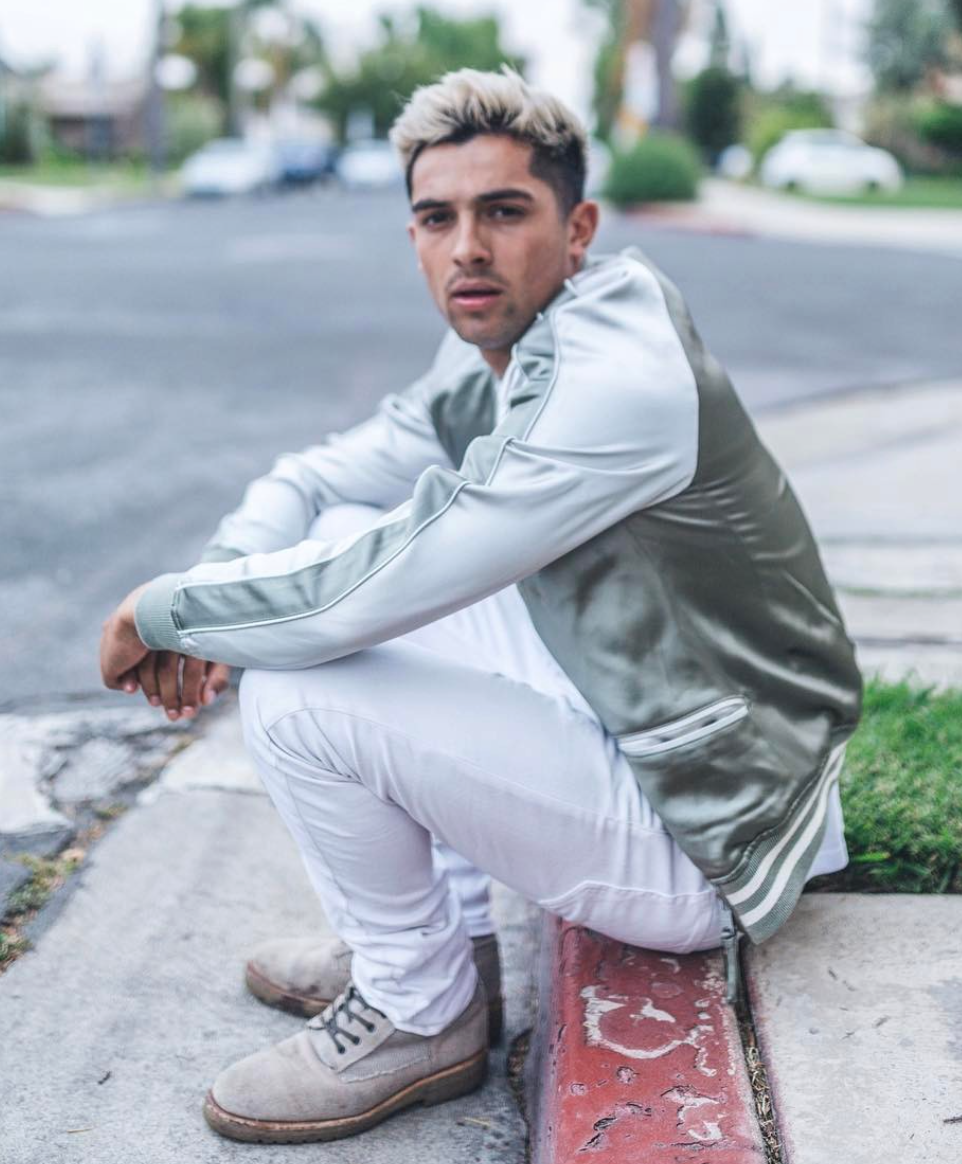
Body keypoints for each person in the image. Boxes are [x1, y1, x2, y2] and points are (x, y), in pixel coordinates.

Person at [100, 68, 862, 1145]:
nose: (466, 248)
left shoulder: (614, 379)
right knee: (333, 552)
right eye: (436, 218)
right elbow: (317, 479)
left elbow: (382, 582)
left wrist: (166, 614)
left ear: (576, 229)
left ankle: (420, 1011)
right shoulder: (502, 349)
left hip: (714, 834)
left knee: (299, 687)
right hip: (663, 729)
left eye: (504, 212)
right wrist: (218, 587)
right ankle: (431, 951)